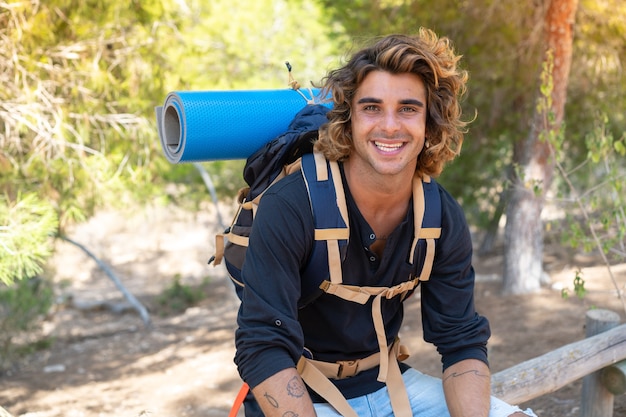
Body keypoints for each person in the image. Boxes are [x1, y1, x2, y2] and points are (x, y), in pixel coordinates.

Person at [234, 28, 537, 417]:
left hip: (388, 382)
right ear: (349, 120)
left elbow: (461, 342)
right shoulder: (293, 205)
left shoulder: (439, 215)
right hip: (300, 393)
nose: (390, 126)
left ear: (430, 123)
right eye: (372, 108)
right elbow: (263, 346)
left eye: (408, 109)